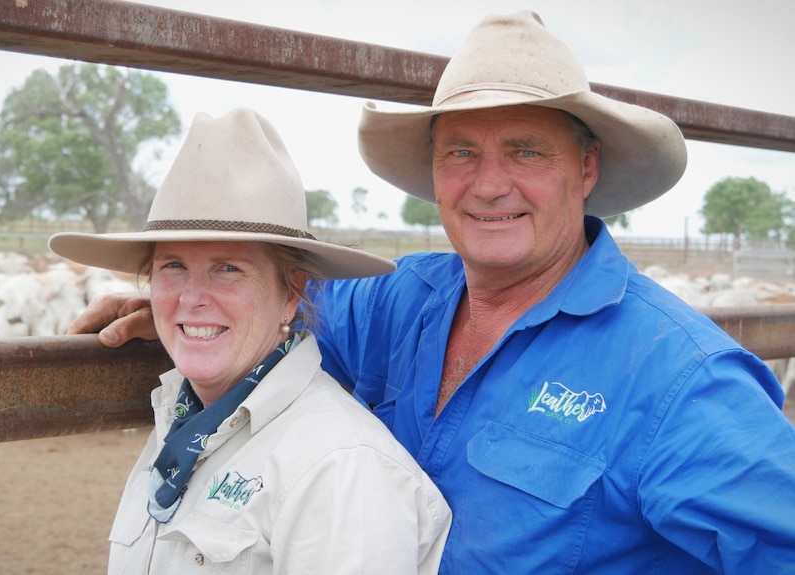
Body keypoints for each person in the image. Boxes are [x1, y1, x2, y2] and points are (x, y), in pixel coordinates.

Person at [69, 11, 795, 574]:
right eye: (461, 152)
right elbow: (285, 298)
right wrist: (188, 300)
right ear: (436, 173)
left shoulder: (677, 378)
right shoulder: (403, 298)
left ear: (587, 167)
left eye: (526, 150)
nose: (488, 183)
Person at [49, 107, 451, 574]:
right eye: (172, 266)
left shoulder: (342, 470)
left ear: (291, 294)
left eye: (229, 269)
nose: (192, 298)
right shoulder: (183, 418)